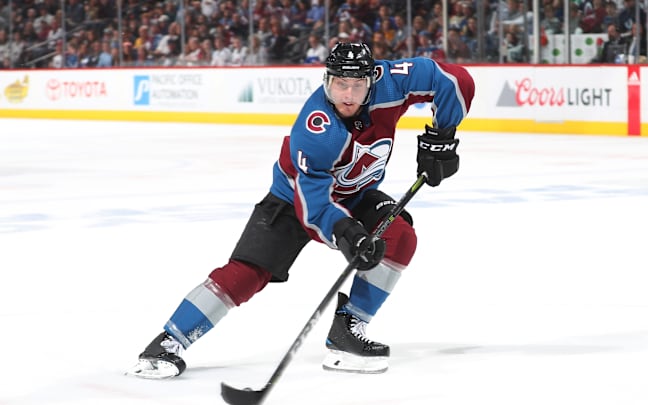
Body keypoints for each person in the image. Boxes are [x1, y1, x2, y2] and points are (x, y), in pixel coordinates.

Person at [128, 42, 475, 379]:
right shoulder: (317, 128)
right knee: (247, 272)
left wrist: (441, 137)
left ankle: (348, 329)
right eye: (341, 84)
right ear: (327, 80)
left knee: (400, 237)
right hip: (294, 200)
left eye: (357, 85)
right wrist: (347, 233)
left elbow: (456, 81)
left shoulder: (395, 81)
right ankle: (168, 342)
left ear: (373, 80)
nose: (348, 95)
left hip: (355, 193)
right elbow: (314, 207)